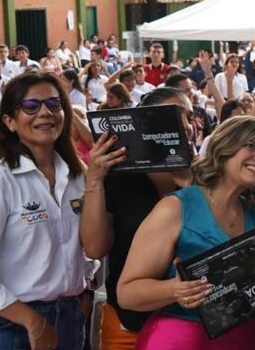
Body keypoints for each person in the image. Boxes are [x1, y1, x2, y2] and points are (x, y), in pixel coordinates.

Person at [116, 116, 255, 350]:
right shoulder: (175, 208)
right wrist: (174, 290)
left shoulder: (253, 212)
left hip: (243, 339)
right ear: (224, 149)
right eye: (250, 146)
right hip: (181, 340)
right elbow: (126, 293)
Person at [0, 72, 88, 350]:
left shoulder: (77, 176)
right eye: (31, 106)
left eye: (54, 104)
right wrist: (32, 321)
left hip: (68, 319)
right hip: (9, 326)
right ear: (9, 122)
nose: (45, 113)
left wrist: (85, 294)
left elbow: (83, 247)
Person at [81, 87, 195, 350]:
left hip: (192, 322)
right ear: (143, 125)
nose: (186, 125)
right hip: (129, 324)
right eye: (176, 116)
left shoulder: (208, 177)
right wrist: (95, 177)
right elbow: (95, 247)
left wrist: (191, 182)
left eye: (190, 116)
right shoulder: (119, 177)